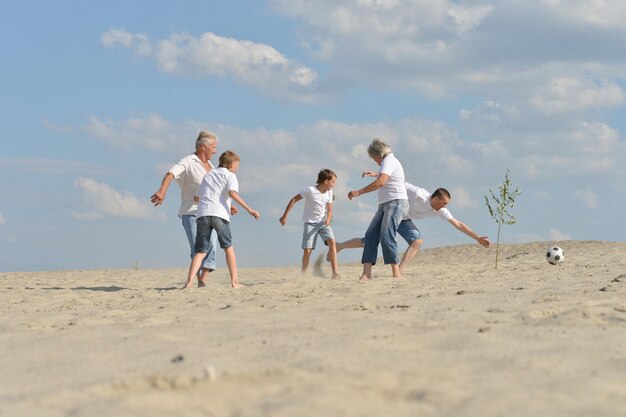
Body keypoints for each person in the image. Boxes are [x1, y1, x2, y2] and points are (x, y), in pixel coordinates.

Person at [336, 184, 491, 273]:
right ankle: (340, 246)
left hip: (404, 220)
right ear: (435, 199)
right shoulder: (418, 194)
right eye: (444, 203)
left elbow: (458, 224)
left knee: (417, 241)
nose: (445, 206)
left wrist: (477, 238)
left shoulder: (440, 210)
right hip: (392, 213)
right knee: (368, 241)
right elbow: (396, 182)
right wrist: (378, 175)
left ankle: (400, 272)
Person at [151, 131, 220, 288]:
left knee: (212, 247)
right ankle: (196, 280)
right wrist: (162, 191)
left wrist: (229, 205)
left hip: (212, 212)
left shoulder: (212, 167)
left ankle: (203, 280)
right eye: (213, 147)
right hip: (191, 211)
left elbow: (216, 190)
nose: (215, 151)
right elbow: (170, 174)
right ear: (203, 147)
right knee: (197, 247)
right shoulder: (188, 161)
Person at [185, 151, 260, 289]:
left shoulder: (208, 175)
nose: (237, 168)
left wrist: (228, 204)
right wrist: (249, 210)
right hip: (219, 215)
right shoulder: (230, 175)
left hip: (203, 214)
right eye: (237, 165)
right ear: (231, 164)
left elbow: (197, 198)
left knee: (200, 251)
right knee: (228, 247)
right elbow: (232, 192)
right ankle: (235, 282)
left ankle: (189, 283)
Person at [347, 138, 408, 280]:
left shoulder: (389, 160)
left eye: (374, 158)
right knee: (370, 236)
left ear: (379, 154)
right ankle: (366, 274)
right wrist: (376, 173)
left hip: (395, 202)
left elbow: (381, 182)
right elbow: (386, 177)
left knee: (387, 235)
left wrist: (359, 192)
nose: (375, 161)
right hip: (385, 204)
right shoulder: (387, 163)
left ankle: (396, 273)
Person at [279, 169, 340, 279]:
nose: (334, 185)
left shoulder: (329, 193)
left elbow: (330, 209)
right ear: (326, 181)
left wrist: (329, 219)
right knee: (307, 251)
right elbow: (293, 200)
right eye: (333, 182)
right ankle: (304, 274)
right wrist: (284, 216)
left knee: (332, 242)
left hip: (323, 223)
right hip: (310, 223)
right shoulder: (310, 190)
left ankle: (335, 272)